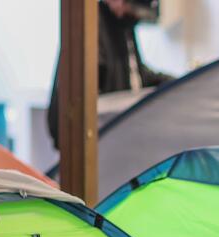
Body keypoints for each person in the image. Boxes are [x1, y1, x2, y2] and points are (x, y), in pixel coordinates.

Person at [47, 0, 173, 146]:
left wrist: (175, 82)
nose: (132, 14)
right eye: (129, 7)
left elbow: (136, 72)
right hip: (96, 142)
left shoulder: (123, 25)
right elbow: (79, 95)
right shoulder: (90, 25)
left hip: (121, 136)